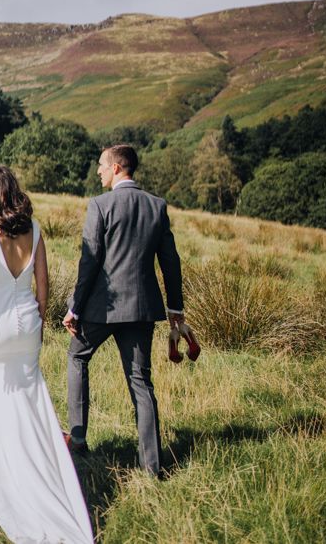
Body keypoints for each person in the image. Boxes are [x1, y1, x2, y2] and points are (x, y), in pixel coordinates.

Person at [0, 166, 94, 544]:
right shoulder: (33, 229)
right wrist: (39, 314)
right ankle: (41, 471)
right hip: (27, 323)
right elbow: (43, 281)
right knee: (29, 400)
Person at [63, 145, 200, 476]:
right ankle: (152, 465)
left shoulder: (100, 205)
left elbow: (90, 260)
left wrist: (74, 308)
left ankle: (78, 439)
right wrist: (175, 309)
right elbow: (170, 262)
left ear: (117, 168)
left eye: (101, 166)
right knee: (141, 381)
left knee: (77, 357)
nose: (98, 171)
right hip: (141, 309)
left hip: (101, 308)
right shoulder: (157, 206)